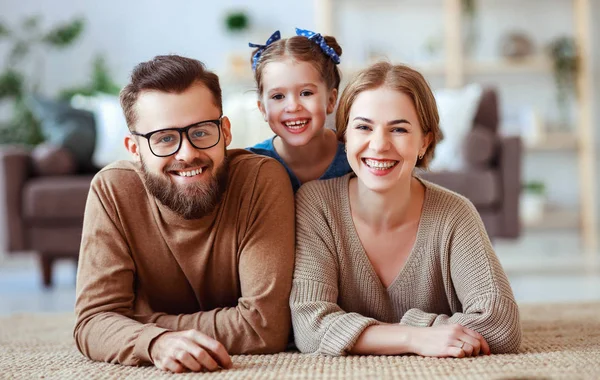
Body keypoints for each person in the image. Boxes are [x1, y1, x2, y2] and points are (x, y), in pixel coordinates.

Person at [74, 55, 296, 373]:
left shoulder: (260, 179)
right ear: (134, 149)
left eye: (201, 132)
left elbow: (265, 327)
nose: (187, 153)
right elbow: (92, 323)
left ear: (226, 131)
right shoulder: (113, 190)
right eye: (164, 139)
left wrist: (139, 324)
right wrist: (155, 342)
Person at [290, 62, 522, 357]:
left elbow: (501, 327)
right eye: (363, 127)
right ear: (345, 135)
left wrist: (360, 333)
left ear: (425, 142)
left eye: (398, 129)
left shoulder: (455, 213)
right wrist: (415, 337)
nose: (379, 145)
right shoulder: (316, 206)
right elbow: (310, 329)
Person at [246, 28, 351, 192]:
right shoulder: (249, 166)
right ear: (263, 109)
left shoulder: (355, 157)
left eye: (306, 93)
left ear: (331, 100)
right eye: (278, 96)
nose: (293, 106)